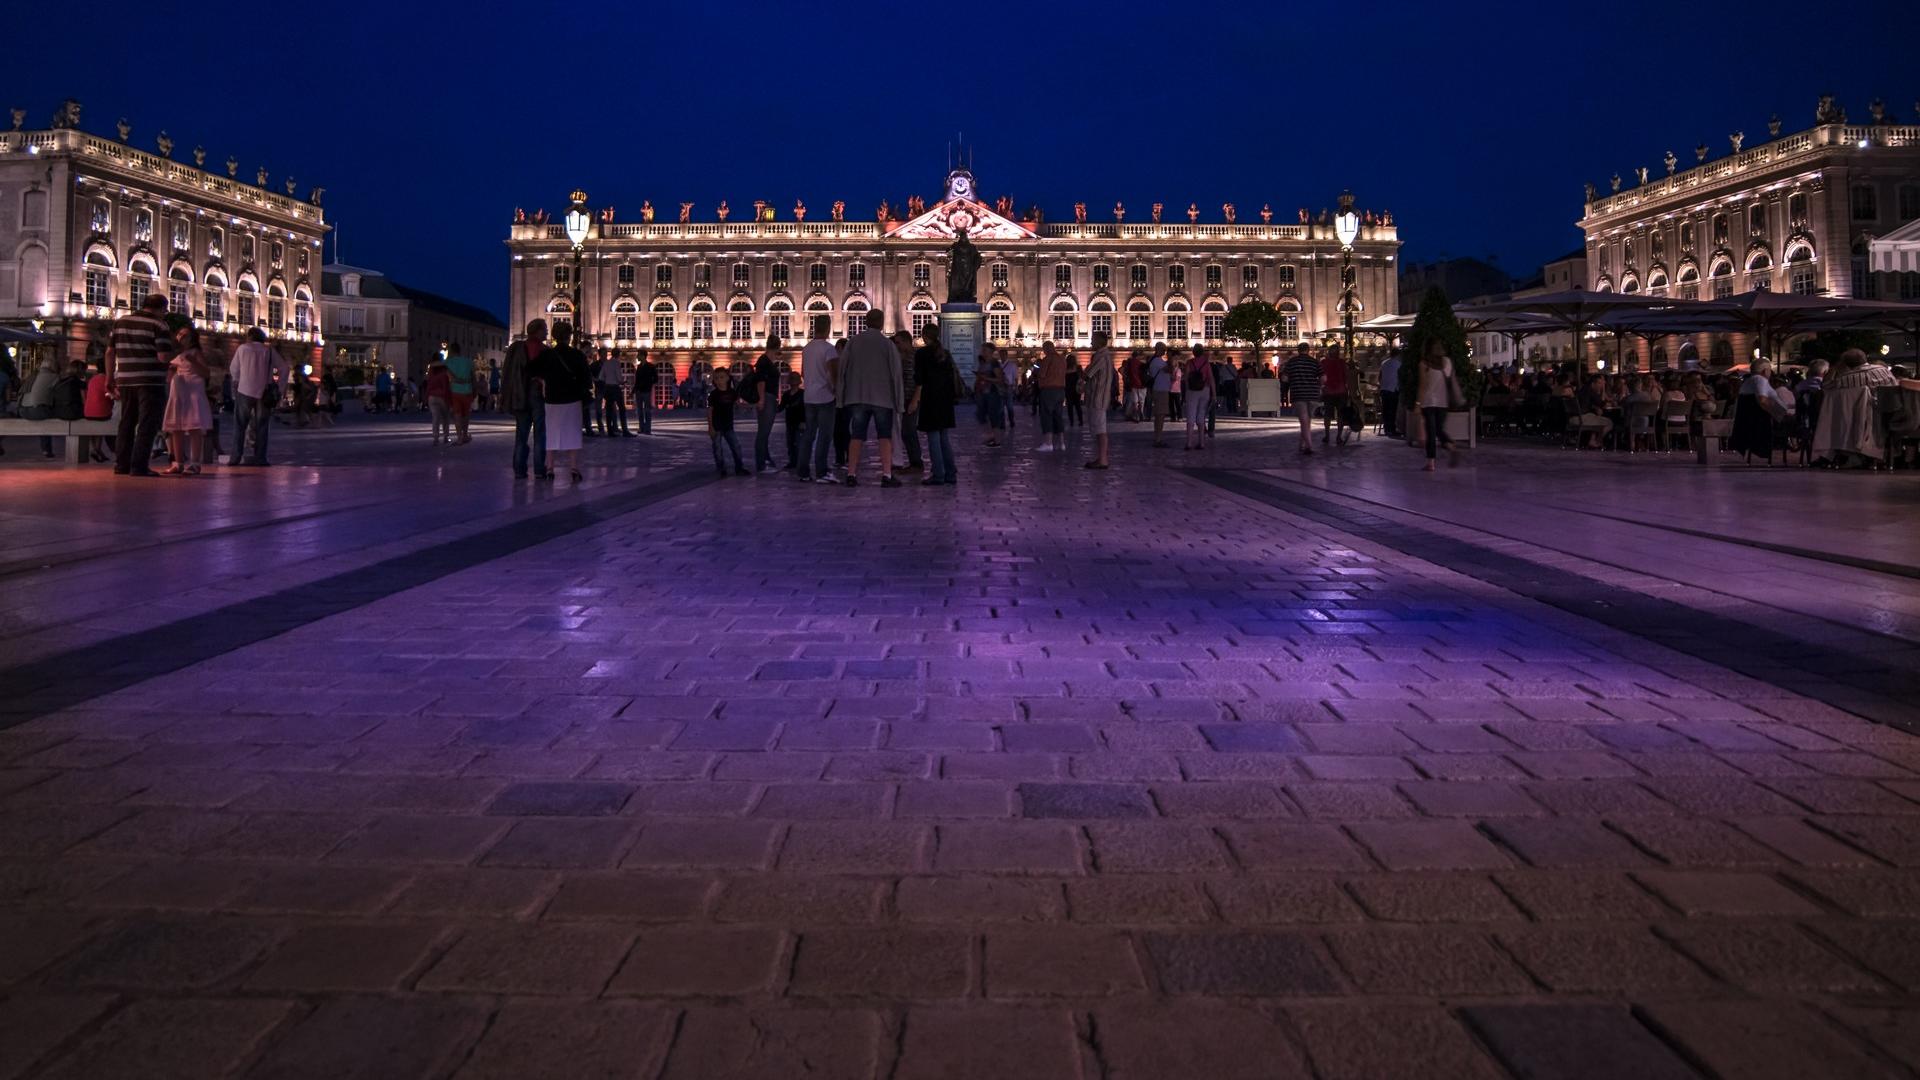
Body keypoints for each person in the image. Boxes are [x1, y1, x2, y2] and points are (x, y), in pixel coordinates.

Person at [105, 293, 177, 476]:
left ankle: (121, 465)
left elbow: (109, 353)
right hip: (150, 381)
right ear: (161, 308)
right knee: (147, 423)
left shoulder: (120, 322)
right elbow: (163, 356)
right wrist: (174, 351)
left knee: (127, 422)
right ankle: (138, 466)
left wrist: (109, 378)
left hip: (126, 380)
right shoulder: (159, 325)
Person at [834, 308, 905, 487]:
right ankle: (887, 475)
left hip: (857, 397)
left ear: (866, 322)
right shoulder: (887, 344)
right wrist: (899, 402)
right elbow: (897, 374)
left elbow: (842, 369)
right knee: (884, 436)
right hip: (883, 398)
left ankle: (851, 474)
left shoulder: (853, 342)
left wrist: (841, 397)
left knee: (856, 435)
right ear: (881, 323)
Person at [531, 322, 591, 482]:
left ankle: (550, 468)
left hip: (552, 399)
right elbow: (587, 380)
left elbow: (531, 370)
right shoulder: (578, 355)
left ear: (554, 336)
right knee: (573, 433)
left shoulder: (547, 355)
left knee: (552, 433)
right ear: (569, 336)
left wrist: (544, 381)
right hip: (572, 399)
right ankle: (574, 468)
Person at [160, 324, 213, 475]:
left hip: (193, 391)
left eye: (185, 335)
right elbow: (169, 376)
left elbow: (206, 372)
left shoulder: (195, 353)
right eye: (180, 334)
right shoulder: (177, 354)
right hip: (179, 391)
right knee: (176, 428)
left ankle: (195, 463)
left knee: (194, 427)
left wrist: (192, 361)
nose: (182, 338)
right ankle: (178, 462)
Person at [914, 323, 962, 485]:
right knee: (944, 438)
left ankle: (938, 475)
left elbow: (919, 380)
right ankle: (950, 473)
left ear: (924, 336)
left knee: (933, 438)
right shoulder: (945, 354)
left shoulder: (922, 354)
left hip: (930, 400)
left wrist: (915, 400)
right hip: (945, 401)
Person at [226, 328, 281, 466]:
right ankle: (260, 458)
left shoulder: (242, 348)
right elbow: (284, 367)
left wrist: (238, 380)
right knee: (262, 426)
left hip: (244, 390)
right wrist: (280, 387)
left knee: (240, 425)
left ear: (249, 336)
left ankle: (235, 457)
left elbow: (234, 369)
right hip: (264, 392)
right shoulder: (268, 350)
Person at [502, 320, 547, 479]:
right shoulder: (544, 350)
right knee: (540, 434)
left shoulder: (516, 348)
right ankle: (540, 469)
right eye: (545, 329)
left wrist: (506, 395)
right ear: (538, 331)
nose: (547, 333)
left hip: (519, 394)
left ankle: (519, 469)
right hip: (537, 393)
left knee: (521, 434)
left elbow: (507, 372)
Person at [800, 316, 838, 483]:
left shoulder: (806, 348)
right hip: (825, 397)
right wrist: (835, 390)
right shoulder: (829, 349)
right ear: (828, 327)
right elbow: (833, 374)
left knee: (808, 435)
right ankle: (821, 472)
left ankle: (803, 472)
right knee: (824, 435)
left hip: (809, 397)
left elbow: (802, 373)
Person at [1416, 338, 1463, 471]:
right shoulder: (1447, 362)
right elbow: (1452, 381)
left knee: (1431, 432)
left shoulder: (1424, 363)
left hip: (1428, 402)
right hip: (1443, 402)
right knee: (1439, 429)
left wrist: (1417, 404)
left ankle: (1431, 463)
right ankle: (1451, 447)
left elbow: (1422, 386)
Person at [1082, 330, 1116, 470]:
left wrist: (1079, 378)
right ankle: (1101, 458)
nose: (1091, 342)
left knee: (1100, 429)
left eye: (1093, 339)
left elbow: (1088, 374)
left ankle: (1103, 460)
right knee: (1099, 429)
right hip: (1100, 397)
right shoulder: (1106, 356)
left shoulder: (1101, 356)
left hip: (1098, 398)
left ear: (1100, 342)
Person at [891, 329, 923, 471]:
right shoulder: (902, 357)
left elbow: (919, 381)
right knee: (906, 430)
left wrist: (915, 400)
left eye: (898, 342)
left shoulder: (915, 357)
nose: (896, 345)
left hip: (911, 399)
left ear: (905, 341)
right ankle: (914, 462)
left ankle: (916, 463)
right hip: (903, 398)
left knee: (908, 430)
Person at [707, 367, 748, 476]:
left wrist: (751, 405)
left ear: (727, 378)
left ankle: (739, 467)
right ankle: (721, 469)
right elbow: (710, 411)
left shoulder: (732, 393)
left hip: (728, 425)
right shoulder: (714, 395)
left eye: (721, 377)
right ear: (714, 381)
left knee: (736, 446)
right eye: (716, 378)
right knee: (717, 449)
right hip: (717, 426)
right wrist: (710, 427)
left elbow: (738, 404)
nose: (719, 380)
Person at [1282, 343, 1322, 455]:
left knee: (1304, 420)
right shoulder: (1315, 362)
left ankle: (1309, 446)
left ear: (1298, 350)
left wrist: (1293, 379)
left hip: (1299, 393)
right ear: (1308, 350)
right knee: (1307, 420)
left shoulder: (1292, 362)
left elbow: (1284, 378)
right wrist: (1317, 385)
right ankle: (1302, 444)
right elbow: (1324, 378)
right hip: (1313, 394)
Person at [17, 357, 60, 459]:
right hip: (38, 411)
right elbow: (59, 394)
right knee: (49, 415)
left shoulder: (32, 376)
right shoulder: (55, 377)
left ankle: (46, 449)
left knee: (44, 413)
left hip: (22, 410)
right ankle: (46, 449)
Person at [751, 336, 782, 473]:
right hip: (767, 398)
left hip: (769, 398)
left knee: (765, 432)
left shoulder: (767, 361)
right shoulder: (763, 361)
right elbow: (761, 382)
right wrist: (762, 400)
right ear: (777, 346)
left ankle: (766, 459)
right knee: (763, 432)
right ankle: (761, 465)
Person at [1035, 340, 1070, 452]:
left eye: (1044, 349)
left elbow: (1042, 374)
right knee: (1058, 416)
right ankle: (1061, 443)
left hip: (1049, 389)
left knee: (1047, 415)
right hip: (1061, 390)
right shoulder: (1062, 359)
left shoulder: (1048, 359)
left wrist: (1036, 369)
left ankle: (1048, 443)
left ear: (1046, 349)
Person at [440, 344, 475, 444]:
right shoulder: (468, 361)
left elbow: (436, 364)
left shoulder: (448, 362)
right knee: (466, 414)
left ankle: (459, 437)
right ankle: (465, 435)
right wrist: (474, 389)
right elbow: (473, 377)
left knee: (457, 414)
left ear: (451, 351)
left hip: (455, 391)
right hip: (468, 390)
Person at [1182, 345, 1215, 449]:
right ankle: (1201, 443)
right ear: (1202, 352)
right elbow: (1211, 379)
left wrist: (1186, 392)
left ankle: (1189, 443)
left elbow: (1186, 379)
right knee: (1201, 416)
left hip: (1192, 391)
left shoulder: (1189, 362)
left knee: (1190, 417)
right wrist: (1213, 394)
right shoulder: (1206, 363)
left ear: (1193, 352)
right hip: (1205, 390)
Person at [975, 340, 1006, 447]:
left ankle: (996, 440)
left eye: (985, 350)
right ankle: (991, 435)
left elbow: (1000, 379)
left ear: (991, 351)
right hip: (983, 392)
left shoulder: (994, 363)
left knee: (994, 416)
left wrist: (985, 378)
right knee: (980, 414)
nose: (982, 352)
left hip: (993, 393)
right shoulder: (984, 363)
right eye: (982, 350)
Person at [82, 361, 114, 463]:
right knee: (103, 420)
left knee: (95, 424)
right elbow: (112, 394)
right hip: (102, 413)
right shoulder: (106, 379)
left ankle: (95, 449)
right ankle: (97, 449)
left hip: (88, 412)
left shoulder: (91, 380)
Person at [596, 348, 631, 436]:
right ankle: (625, 430)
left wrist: (607, 380)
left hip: (607, 388)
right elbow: (619, 378)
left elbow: (601, 377)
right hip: (615, 388)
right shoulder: (616, 363)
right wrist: (623, 382)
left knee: (609, 410)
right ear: (618, 354)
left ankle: (610, 431)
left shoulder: (606, 363)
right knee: (622, 409)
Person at [1320, 344, 1350, 446]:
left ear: (1329, 352)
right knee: (1341, 415)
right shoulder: (1342, 362)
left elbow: (1321, 377)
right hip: (1341, 391)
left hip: (1328, 392)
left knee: (1327, 415)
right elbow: (1346, 377)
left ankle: (1327, 436)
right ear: (1338, 353)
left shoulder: (1324, 362)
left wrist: (1322, 388)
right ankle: (1338, 437)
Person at [1145, 343, 1172, 447]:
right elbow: (1169, 369)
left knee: (1159, 415)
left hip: (1159, 389)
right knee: (1160, 416)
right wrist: (1170, 358)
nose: (1165, 352)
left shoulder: (1154, 360)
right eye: (1164, 350)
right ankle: (1158, 439)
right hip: (1161, 391)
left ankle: (1157, 438)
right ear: (1159, 350)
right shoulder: (1157, 361)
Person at [424, 361, 453, 444]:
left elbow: (428, 388)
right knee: (445, 418)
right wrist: (449, 401)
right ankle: (446, 437)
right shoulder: (444, 376)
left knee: (435, 418)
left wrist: (426, 398)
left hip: (432, 397)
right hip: (442, 397)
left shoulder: (431, 376)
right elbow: (446, 389)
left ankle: (436, 438)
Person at [1376, 348, 1402, 439]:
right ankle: (1392, 429)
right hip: (1393, 389)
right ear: (1398, 355)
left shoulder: (1384, 363)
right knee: (1392, 410)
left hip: (1384, 389)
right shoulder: (1399, 364)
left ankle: (1387, 429)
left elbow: (1379, 377)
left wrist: (1383, 384)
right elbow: (1400, 378)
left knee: (1386, 410)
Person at [633, 349, 658, 434]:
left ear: (643, 356)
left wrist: (649, 384)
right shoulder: (639, 367)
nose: (637, 356)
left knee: (647, 410)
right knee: (639, 411)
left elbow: (656, 379)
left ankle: (647, 429)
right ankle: (641, 428)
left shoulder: (650, 366)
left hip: (646, 391)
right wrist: (633, 391)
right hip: (639, 391)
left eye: (638, 355)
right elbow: (637, 381)